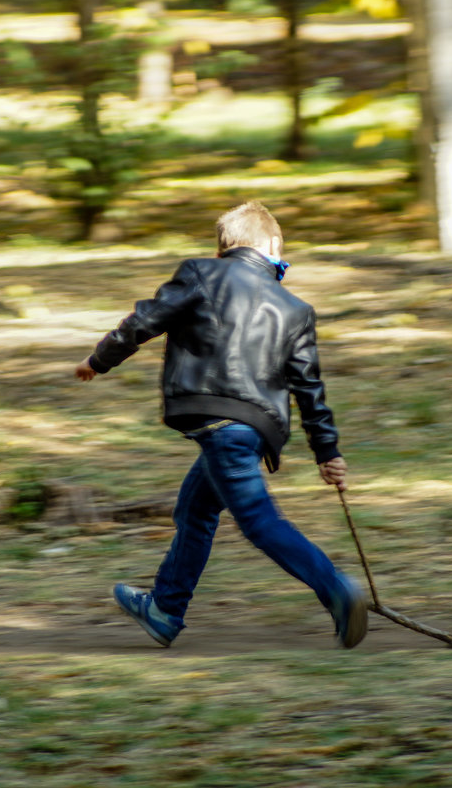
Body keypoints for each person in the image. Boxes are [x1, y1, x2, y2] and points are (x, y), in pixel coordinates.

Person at [74, 200, 368, 649]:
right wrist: (327, 452)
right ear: (272, 245)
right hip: (255, 430)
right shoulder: (296, 308)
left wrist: (100, 359)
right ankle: (165, 609)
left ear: (223, 248)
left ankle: (336, 589)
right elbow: (309, 387)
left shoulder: (200, 274)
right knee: (195, 510)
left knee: (256, 519)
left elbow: (144, 321)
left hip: (217, 421)